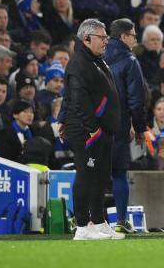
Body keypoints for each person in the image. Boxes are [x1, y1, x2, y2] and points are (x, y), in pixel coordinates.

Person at [63, 18, 123, 241]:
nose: (106, 41)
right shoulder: (79, 63)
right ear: (86, 39)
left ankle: (98, 222)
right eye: (102, 37)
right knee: (86, 175)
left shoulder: (96, 60)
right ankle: (81, 226)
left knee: (100, 177)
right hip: (87, 131)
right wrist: (93, 129)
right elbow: (78, 100)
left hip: (101, 129)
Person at [104, 18, 147, 233]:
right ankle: (120, 221)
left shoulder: (93, 56)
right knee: (119, 173)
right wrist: (139, 128)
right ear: (123, 36)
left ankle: (86, 221)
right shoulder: (129, 61)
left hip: (91, 124)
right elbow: (136, 99)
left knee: (89, 173)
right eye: (133, 35)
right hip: (118, 124)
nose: (135, 39)